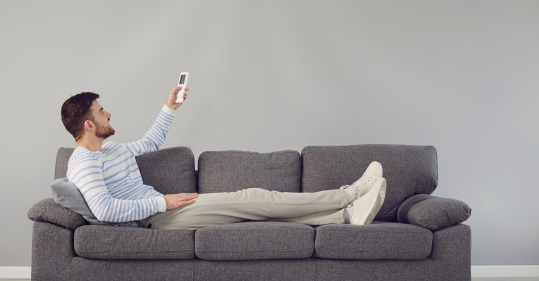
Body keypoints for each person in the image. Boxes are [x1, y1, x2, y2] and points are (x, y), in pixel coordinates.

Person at [60, 86, 387, 230]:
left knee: (253, 212)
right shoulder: (85, 162)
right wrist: (164, 204)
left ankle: (343, 217)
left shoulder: (110, 149)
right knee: (255, 198)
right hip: (156, 219)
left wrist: (170, 107)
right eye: (102, 112)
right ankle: (349, 193)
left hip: (162, 210)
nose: (109, 114)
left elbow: (150, 142)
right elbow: (103, 210)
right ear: (89, 124)